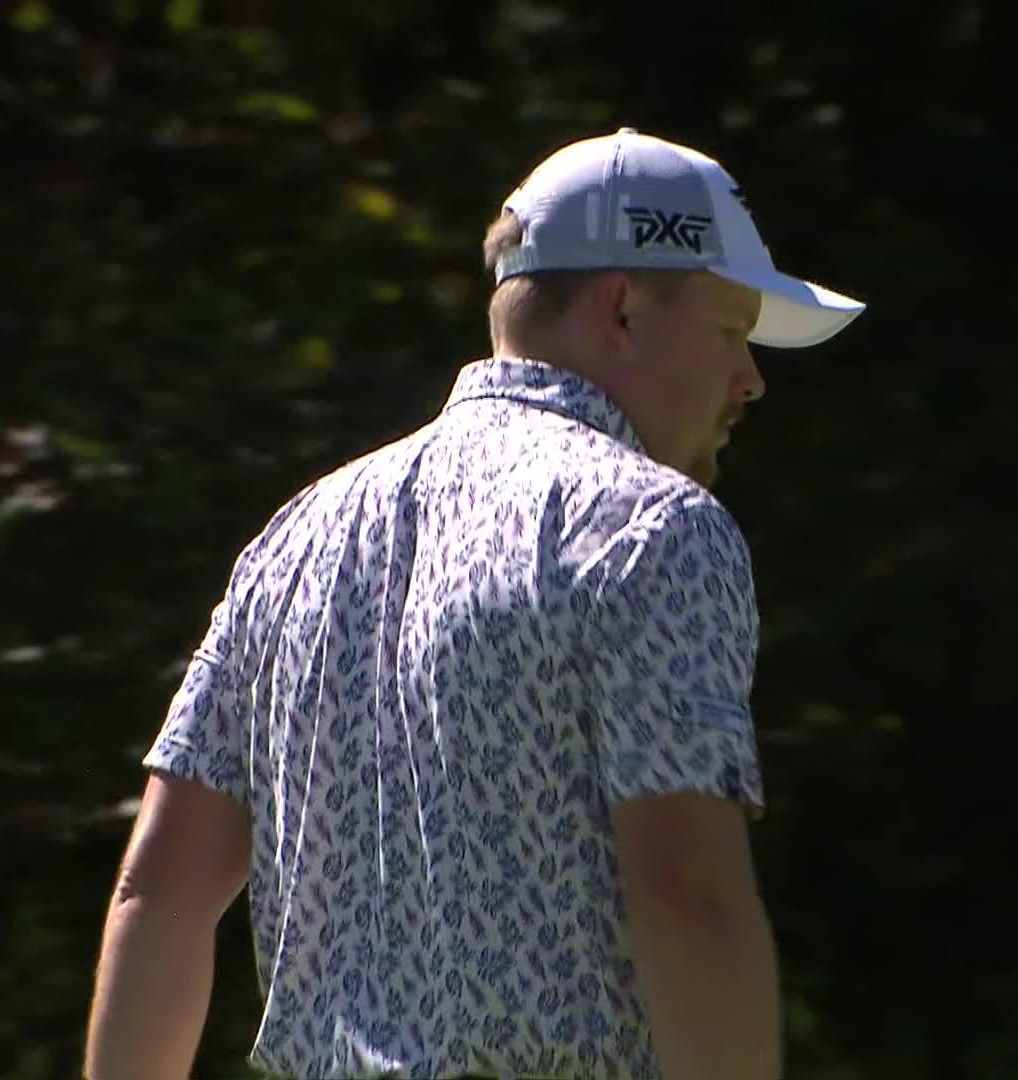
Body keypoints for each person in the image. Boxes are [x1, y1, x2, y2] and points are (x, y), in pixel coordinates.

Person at [83, 127, 865, 1080]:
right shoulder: (650, 528)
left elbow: (158, 891)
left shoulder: (294, 540)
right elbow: (687, 896)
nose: (751, 378)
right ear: (621, 310)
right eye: (730, 330)